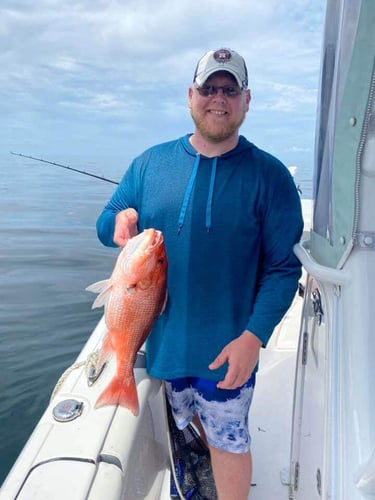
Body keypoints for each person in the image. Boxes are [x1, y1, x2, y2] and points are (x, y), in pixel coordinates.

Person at [96, 47, 303, 499]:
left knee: (230, 442)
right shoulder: (150, 164)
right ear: (191, 96)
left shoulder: (270, 177)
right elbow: (108, 216)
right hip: (167, 347)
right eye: (209, 88)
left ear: (246, 101)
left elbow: (285, 269)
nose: (218, 98)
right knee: (187, 433)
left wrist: (254, 337)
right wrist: (116, 222)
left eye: (230, 89)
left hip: (228, 350)